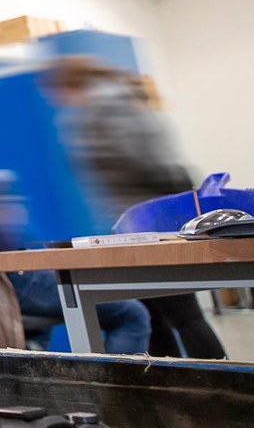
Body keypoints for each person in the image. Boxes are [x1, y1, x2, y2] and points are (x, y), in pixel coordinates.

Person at [0, 89, 152, 355]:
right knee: (131, 314)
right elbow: (0, 238)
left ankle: (33, 350)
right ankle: (115, 395)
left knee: (41, 319)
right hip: (1, 281)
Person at [46, 57, 225, 359]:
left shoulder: (107, 109)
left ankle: (227, 381)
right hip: (141, 219)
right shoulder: (121, 102)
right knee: (154, 313)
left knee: (182, 313)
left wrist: (91, 150)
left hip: (146, 220)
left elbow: (138, 163)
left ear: (69, 85)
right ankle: (167, 383)